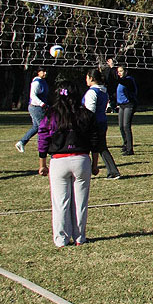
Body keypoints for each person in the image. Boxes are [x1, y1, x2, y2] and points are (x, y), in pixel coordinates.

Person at [38, 80, 101, 247]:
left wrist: (42, 163)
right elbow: (96, 140)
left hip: (59, 162)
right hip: (81, 160)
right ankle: (80, 237)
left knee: (60, 203)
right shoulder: (86, 114)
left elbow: (43, 137)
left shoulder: (51, 115)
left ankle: (61, 239)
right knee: (80, 203)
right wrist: (95, 164)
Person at [83, 69, 120, 179]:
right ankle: (112, 171)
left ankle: (111, 171)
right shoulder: (103, 91)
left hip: (94, 124)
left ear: (91, 78)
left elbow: (90, 111)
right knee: (101, 147)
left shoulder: (92, 92)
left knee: (88, 147)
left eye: (87, 77)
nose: (86, 80)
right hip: (102, 121)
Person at [15, 67, 49, 153]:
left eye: (46, 71)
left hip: (39, 107)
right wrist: (42, 104)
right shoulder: (36, 82)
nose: (45, 73)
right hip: (36, 107)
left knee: (36, 127)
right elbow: (33, 96)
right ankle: (43, 147)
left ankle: (22, 142)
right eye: (43, 71)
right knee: (43, 127)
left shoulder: (43, 81)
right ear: (38, 72)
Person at [116, 66, 138, 155]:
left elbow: (122, 81)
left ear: (126, 71)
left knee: (126, 126)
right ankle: (125, 144)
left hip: (129, 104)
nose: (119, 73)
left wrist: (112, 67)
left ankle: (130, 149)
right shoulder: (120, 81)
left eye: (121, 71)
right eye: (118, 71)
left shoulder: (129, 80)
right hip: (121, 105)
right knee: (121, 126)